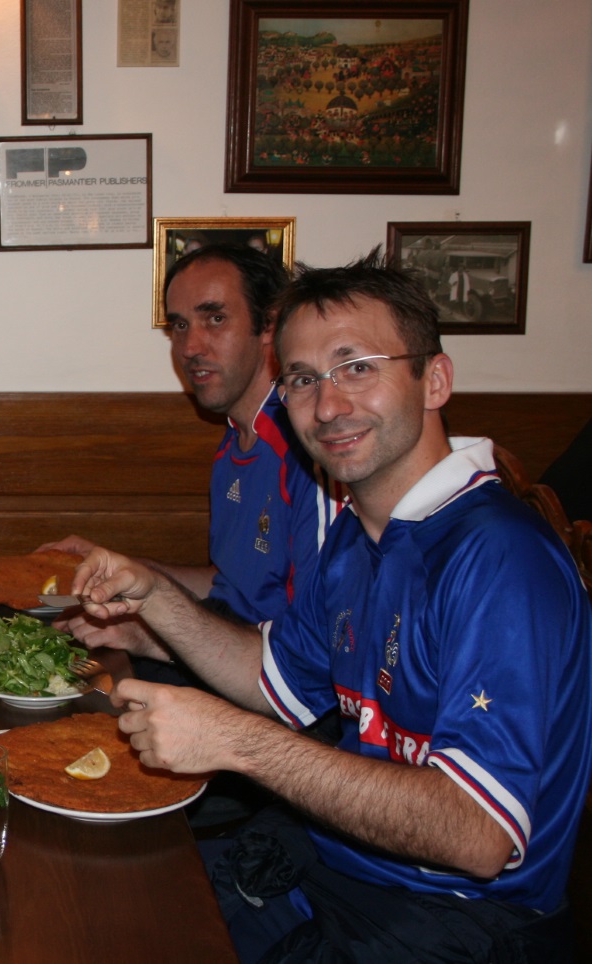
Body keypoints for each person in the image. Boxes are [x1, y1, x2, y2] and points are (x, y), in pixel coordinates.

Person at [73, 251, 591, 961]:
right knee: (100, 907)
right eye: (303, 379)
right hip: (336, 871)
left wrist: (234, 741)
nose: (330, 404)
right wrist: (155, 598)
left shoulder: (500, 556)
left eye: (358, 367)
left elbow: (478, 835)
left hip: (462, 923)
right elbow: (273, 680)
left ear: (434, 379)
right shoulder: (358, 534)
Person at [48, 244, 340, 665]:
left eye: (215, 319)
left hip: (275, 698)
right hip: (224, 659)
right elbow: (229, 587)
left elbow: (314, 657)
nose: (190, 347)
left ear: (269, 327)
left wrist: (156, 638)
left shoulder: (309, 452)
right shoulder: (234, 442)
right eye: (179, 326)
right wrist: (122, 569)